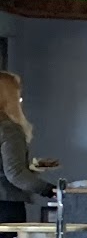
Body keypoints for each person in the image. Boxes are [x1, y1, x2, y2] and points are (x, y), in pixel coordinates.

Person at [0, 70, 59, 219]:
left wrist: (32, 168)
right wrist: (51, 190)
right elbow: (15, 174)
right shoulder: (8, 129)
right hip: (5, 206)